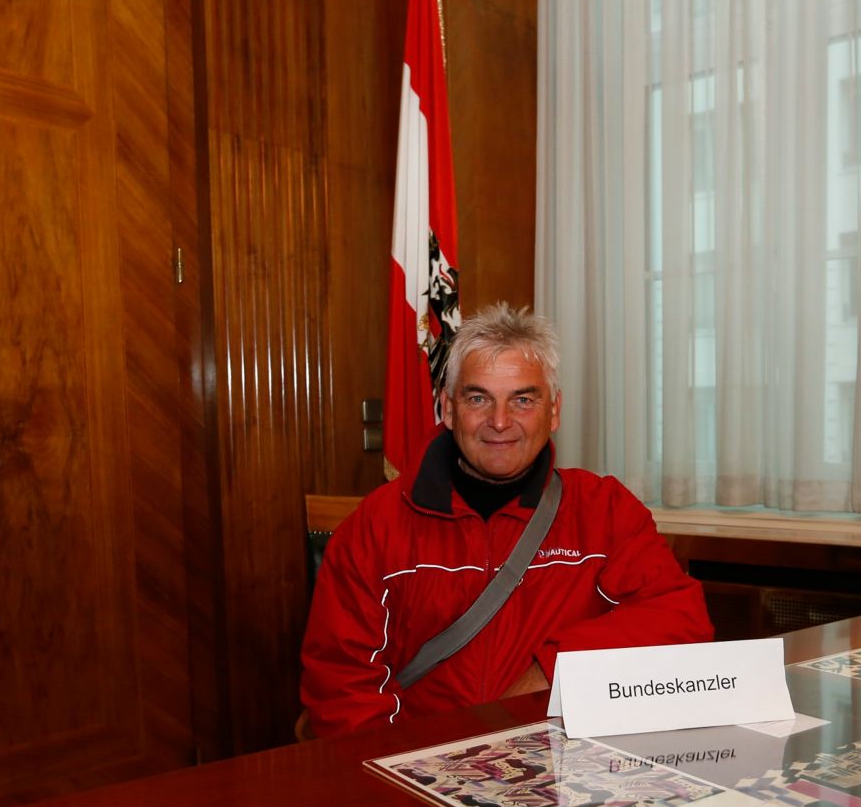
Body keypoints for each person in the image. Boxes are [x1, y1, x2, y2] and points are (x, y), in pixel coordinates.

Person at [301, 303, 712, 735]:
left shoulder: (604, 509)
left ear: (554, 411)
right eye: (478, 398)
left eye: (523, 399)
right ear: (447, 408)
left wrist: (553, 668)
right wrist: (395, 781)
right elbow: (341, 689)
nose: (499, 422)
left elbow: (681, 619)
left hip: (558, 767)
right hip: (422, 769)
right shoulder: (377, 524)